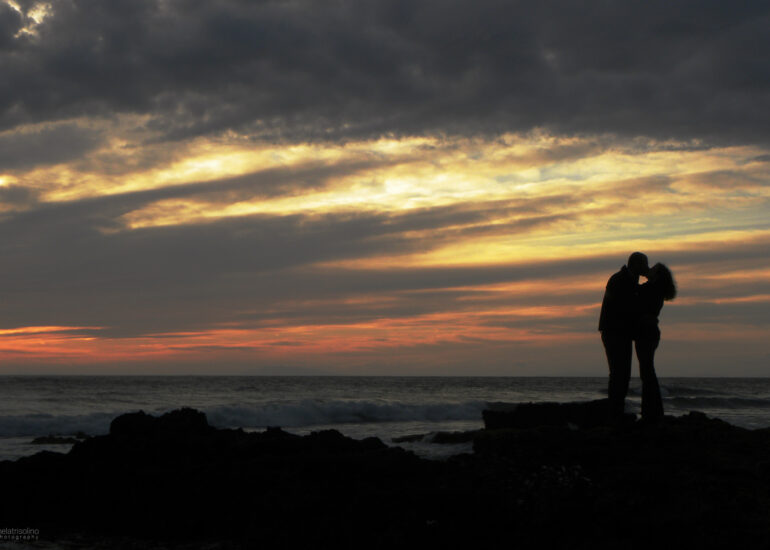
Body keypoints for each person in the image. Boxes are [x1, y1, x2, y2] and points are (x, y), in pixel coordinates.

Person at [598, 252, 649, 421]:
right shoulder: (620, 280)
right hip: (614, 332)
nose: (646, 268)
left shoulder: (627, 280)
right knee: (619, 372)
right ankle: (615, 412)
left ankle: (616, 410)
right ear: (635, 265)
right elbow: (627, 305)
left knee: (621, 372)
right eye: (643, 265)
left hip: (619, 332)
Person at [634, 262, 677, 423]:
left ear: (657, 274)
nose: (649, 269)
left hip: (646, 332)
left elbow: (636, 292)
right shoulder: (655, 288)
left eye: (653, 269)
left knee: (647, 373)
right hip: (650, 332)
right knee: (647, 372)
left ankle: (651, 411)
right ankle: (652, 410)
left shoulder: (652, 288)